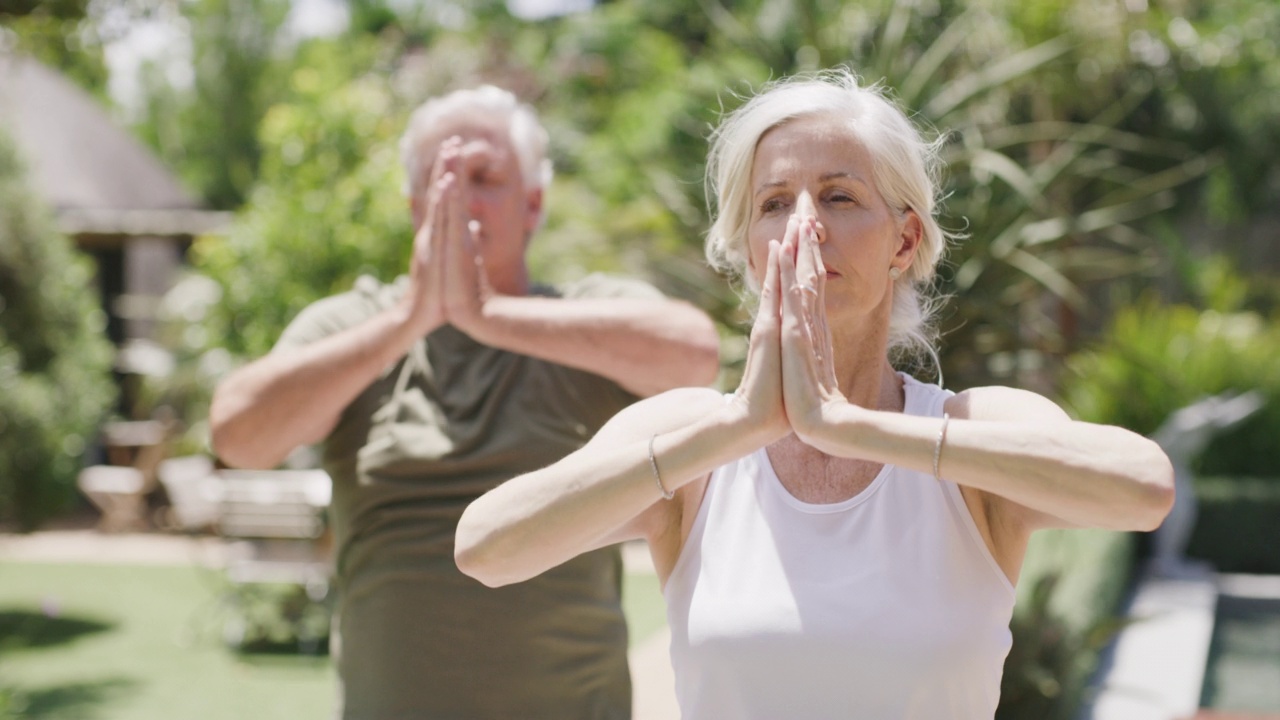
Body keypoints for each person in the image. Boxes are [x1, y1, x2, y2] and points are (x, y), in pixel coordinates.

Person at [454, 70, 1175, 719]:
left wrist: (850, 427)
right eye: (774, 203)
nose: (805, 225)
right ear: (747, 244)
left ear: (903, 241)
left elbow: (1144, 490)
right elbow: (486, 548)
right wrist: (737, 425)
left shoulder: (969, 427)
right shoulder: (695, 441)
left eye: (839, 196)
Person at [208, 85, 721, 719]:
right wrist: (407, 319)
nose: (461, 197)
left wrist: (490, 316)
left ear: (532, 205)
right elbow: (237, 435)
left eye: (484, 176)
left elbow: (696, 355)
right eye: (440, 178)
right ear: (413, 204)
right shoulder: (354, 324)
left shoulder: (584, 313)